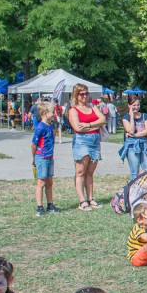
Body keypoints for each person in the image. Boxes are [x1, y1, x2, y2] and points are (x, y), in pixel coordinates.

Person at [67, 83, 106, 211]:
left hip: (95, 140)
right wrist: (95, 125)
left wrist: (88, 125)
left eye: (86, 93)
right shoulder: (73, 110)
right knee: (80, 172)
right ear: (76, 95)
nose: (85, 96)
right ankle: (82, 201)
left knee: (90, 172)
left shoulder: (93, 106)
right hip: (81, 141)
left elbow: (103, 119)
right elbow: (78, 128)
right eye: (82, 94)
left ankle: (91, 198)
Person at [31, 103, 58, 217]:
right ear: (45, 114)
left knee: (49, 182)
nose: (54, 114)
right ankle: (39, 207)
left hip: (49, 157)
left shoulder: (50, 126)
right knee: (41, 182)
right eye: (52, 112)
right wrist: (34, 158)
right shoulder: (40, 127)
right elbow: (33, 144)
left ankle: (50, 205)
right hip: (41, 157)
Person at [119, 95, 147, 180]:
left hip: (144, 145)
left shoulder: (144, 116)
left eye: (138, 105)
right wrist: (131, 116)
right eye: (134, 105)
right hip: (132, 146)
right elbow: (131, 130)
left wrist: (134, 135)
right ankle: (134, 188)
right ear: (129, 105)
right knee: (135, 172)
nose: (136, 107)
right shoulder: (126, 118)